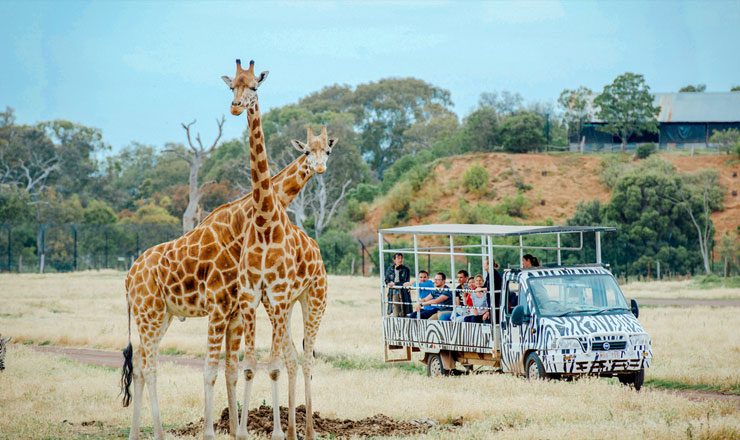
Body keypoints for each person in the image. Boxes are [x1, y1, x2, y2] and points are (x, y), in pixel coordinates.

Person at [484, 258, 502, 323]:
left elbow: (491, 288)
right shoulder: (490, 274)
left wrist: (480, 289)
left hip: (495, 301)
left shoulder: (493, 274)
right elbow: (485, 286)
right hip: (492, 302)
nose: (483, 265)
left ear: (489, 265)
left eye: (484, 264)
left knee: (494, 320)